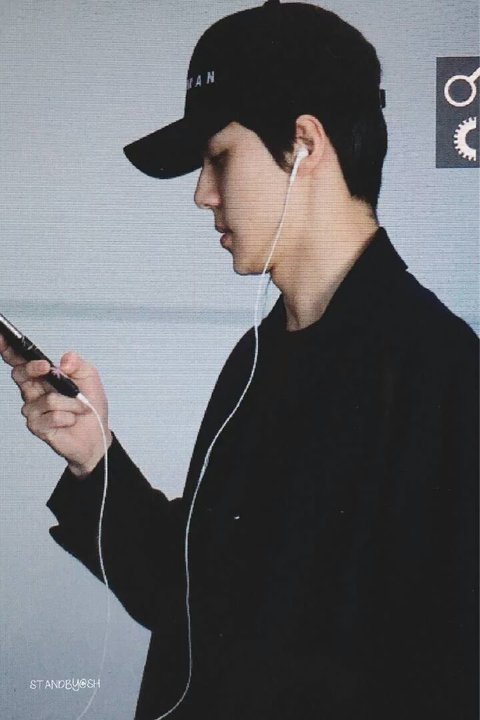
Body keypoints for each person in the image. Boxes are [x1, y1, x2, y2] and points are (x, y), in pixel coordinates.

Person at [0, 2, 478, 719]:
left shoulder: (444, 378)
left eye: (218, 157)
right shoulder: (256, 356)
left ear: (305, 143)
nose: (202, 194)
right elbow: (191, 603)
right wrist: (93, 457)